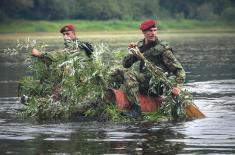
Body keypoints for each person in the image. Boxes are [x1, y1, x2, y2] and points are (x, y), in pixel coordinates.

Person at [121, 19, 186, 116]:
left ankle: (136, 109)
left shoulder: (163, 50)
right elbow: (125, 64)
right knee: (117, 72)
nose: (153, 33)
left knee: (128, 74)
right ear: (144, 32)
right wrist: (133, 52)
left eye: (155, 30)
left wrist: (178, 87)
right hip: (144, 81)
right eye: (150, 31)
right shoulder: (140, 46)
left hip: (155, 86)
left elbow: (180, 71)